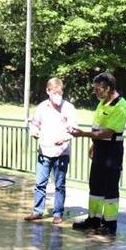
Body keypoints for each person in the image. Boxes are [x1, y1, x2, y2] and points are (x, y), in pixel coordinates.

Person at [69, 72, 126, 236]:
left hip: (112, 151)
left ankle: (109, 225)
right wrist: (93, 145)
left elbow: (108, 133)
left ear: (108, 88)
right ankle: (93, 219)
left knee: (110, 188)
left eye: (98, 89)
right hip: (100, 148)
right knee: (95, 185)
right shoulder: (103, 102)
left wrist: (83, 134)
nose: (95, 92)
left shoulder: (120, 106)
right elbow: (98, 128)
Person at [24, 77, 77, 224]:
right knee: (40, 183)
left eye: (59, 92)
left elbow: (73, 130)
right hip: (44, 152)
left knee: (59, 184)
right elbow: (35, 125)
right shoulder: (41, 107)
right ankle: (37, 211)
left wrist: (65, 138)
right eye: (54, 92)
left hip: (61, 153)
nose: (57, 95)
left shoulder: (68, 108)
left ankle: (58, 213)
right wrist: (34, 132)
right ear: (48, 91)